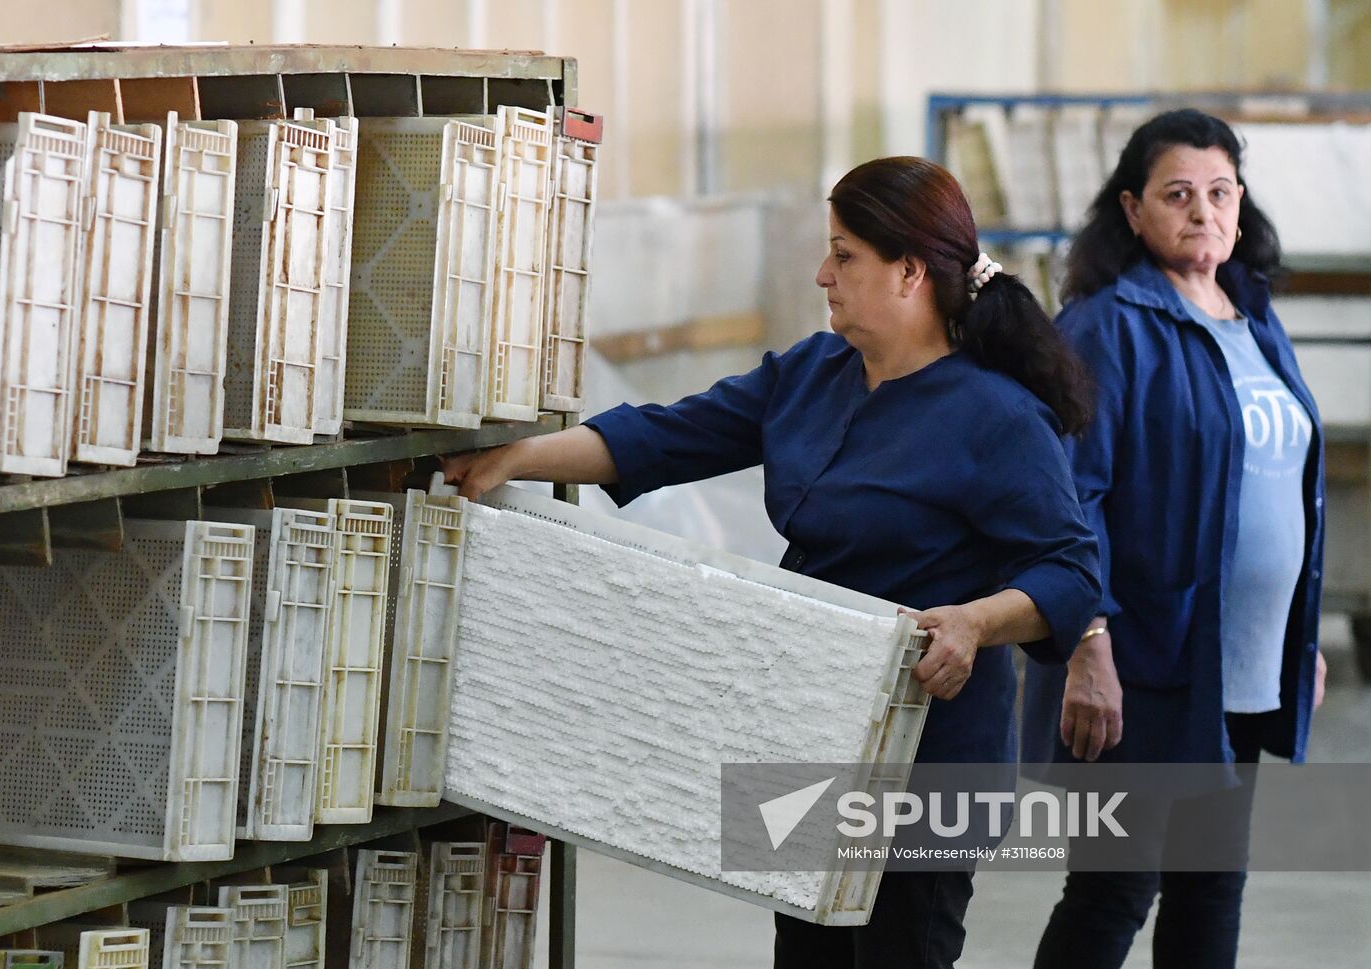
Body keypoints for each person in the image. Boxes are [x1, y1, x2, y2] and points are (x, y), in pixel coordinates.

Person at [444, 156, 1101, 969]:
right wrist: (521, 456)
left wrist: (975, 621)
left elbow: (1070, 573)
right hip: (812, 733)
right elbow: (664, 434)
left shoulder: (998, 417)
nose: (823, 274)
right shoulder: (809, 376)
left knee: (904, 951)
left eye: (845, 254)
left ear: (909, 272)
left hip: (933, 761)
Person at [1023, 109, 1328, 969]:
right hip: (1147, 661)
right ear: (1132, 208)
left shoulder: (1254, 315)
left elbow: (1288, 487)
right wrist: (1088, 642)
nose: (1204, 211)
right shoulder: (1105, 325)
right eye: (1178, 194)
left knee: (1210, 882)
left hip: (1242, 668)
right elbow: (1068, 501)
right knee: (1114, 890)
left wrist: (1297, 637)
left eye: (1221, 192)